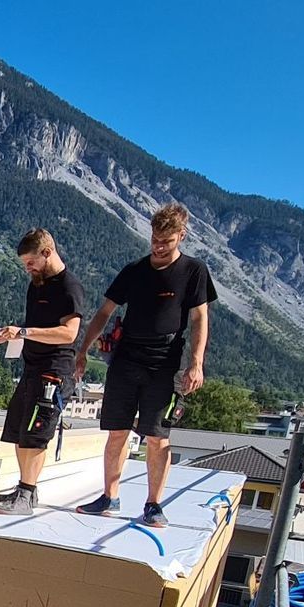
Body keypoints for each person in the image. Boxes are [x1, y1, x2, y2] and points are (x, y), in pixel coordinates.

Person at [73, 202, 216, 527]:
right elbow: (104, 312)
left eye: (166, 241)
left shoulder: (194, 271)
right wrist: (83, 350)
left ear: (181, 236)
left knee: (157, 437)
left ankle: (153, 504)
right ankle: (109, 496)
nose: (158, 247)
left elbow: (199, 318)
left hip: (164, 365)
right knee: (116, 432)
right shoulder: (134, 270)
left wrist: (196, 362)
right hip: (125, 359)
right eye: (154, 239)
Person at [0, 229, 84, 515]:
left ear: (47, 253)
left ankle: (25, 495)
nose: (28, 268)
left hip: (54, 371)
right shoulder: (36, 285)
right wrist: (13, 336)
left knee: (37, 433)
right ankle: (25, 490)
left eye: (30, 262)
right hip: (32, 368)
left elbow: (68, 334)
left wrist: (23, 331)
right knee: (19, 431)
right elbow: (36, 329)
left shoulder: (68, 287)